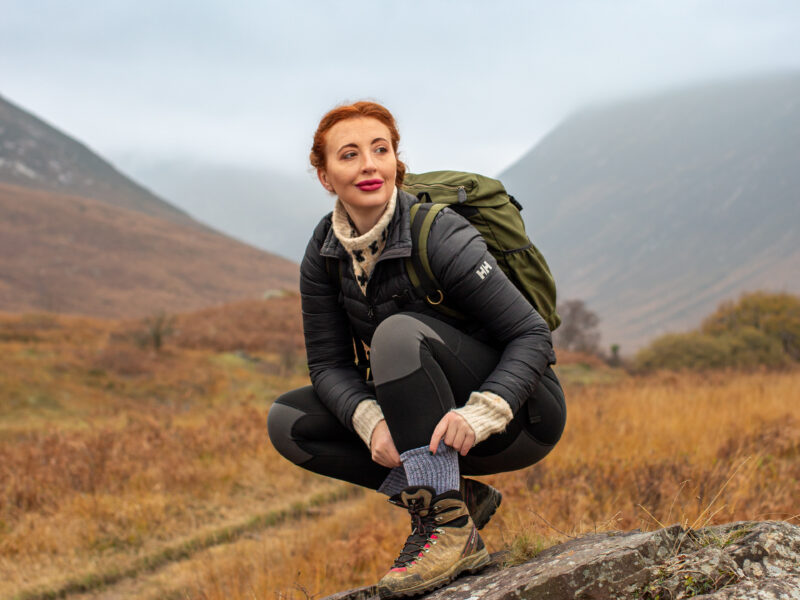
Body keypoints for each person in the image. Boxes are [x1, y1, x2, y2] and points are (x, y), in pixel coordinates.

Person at [267, 101, 566, 598]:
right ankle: (455, 498)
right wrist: (368, 419)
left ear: (394, 161)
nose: (368, 164)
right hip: (425, 426)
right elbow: (328, 364)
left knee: (398, 333)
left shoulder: (438, 231)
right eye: (349, 155)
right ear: (325, 176)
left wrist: (483, 411)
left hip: (518, 416)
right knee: (290, 422)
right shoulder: (325, 251)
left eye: (379, 150)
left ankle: (448, 534)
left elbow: (531, 334)